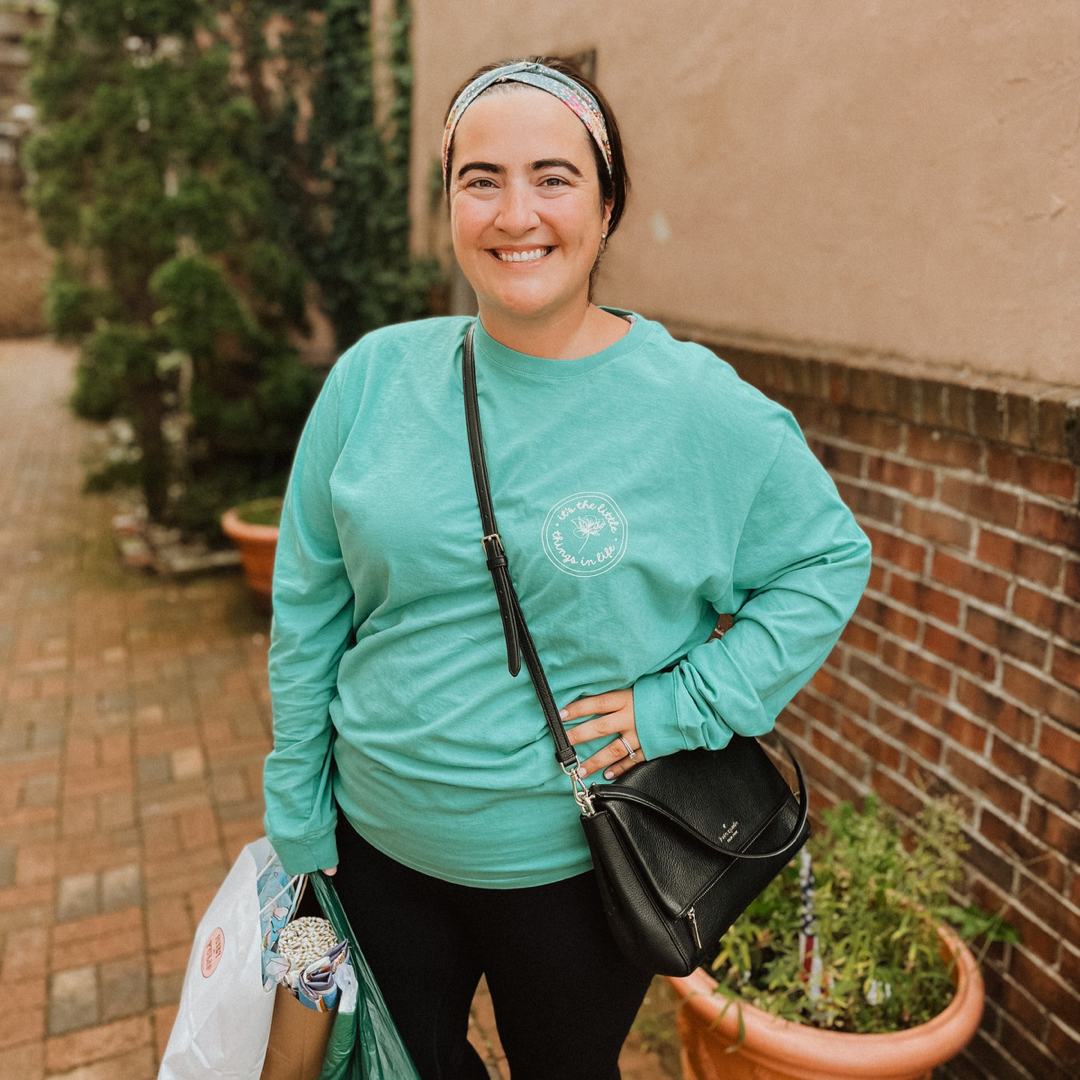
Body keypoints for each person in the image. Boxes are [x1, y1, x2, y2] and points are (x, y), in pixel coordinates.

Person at [263, 56, 872, 1080]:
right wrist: (296, 806)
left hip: (574, 872)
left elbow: (824, 559)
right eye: (481, 179)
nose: (516, 214)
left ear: (608, 202)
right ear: (450, 203)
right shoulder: (374, 376)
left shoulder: (692, 405)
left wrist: (681, 707)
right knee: (395, 1065)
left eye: (553, 176)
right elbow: (310, 598)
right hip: (371, 847)